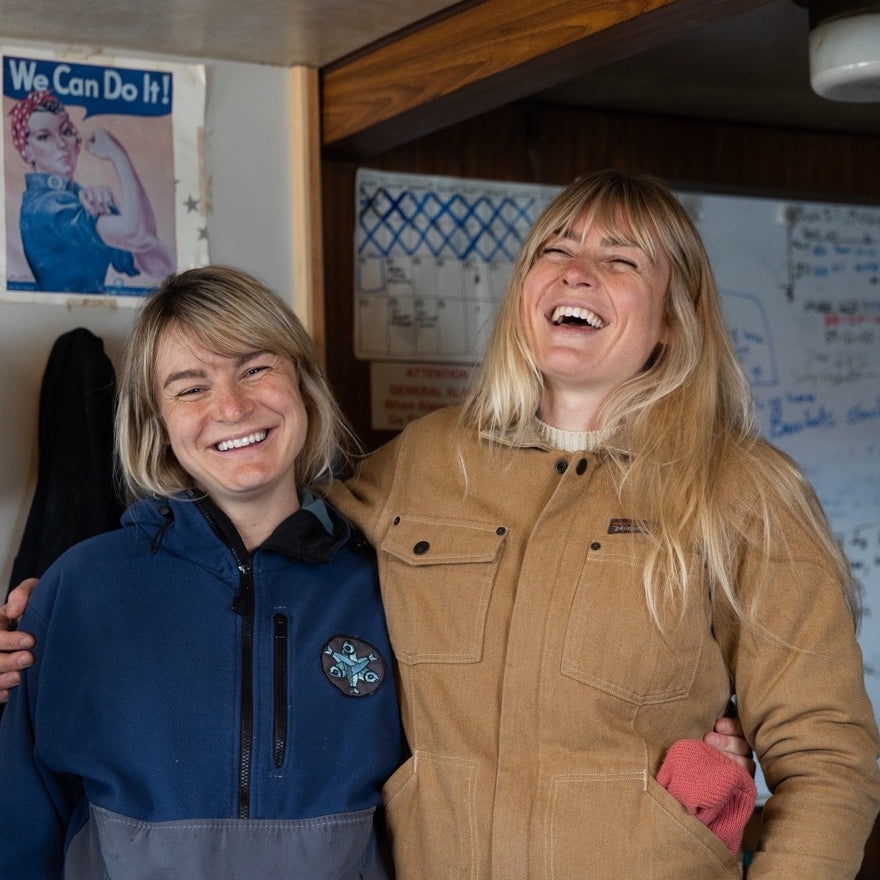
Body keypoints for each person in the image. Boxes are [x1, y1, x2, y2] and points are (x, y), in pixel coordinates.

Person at [317, 170, 880, 879]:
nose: (577, 273)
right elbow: (284, 566)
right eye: (555, 250)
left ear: (673, 317)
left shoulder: (742, 489)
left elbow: (828, 759)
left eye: (620, 260)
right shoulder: (422, 461)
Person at [0, 266, 404, 879]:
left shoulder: (389, 585)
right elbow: (19, 828)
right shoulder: (80, 587)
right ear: (156, 423)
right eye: (190, 388)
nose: (232, 407)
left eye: (255, 368)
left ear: (303, 383)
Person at [8, 89, 173, 293]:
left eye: (66, 131)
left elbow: (161, 266)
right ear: (27, 150)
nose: (61, 143)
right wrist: (118, 155)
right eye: (44, 137)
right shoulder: (44, 206)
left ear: (77, 142)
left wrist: (118, 210)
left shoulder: (81, 199)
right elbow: (138, 234)